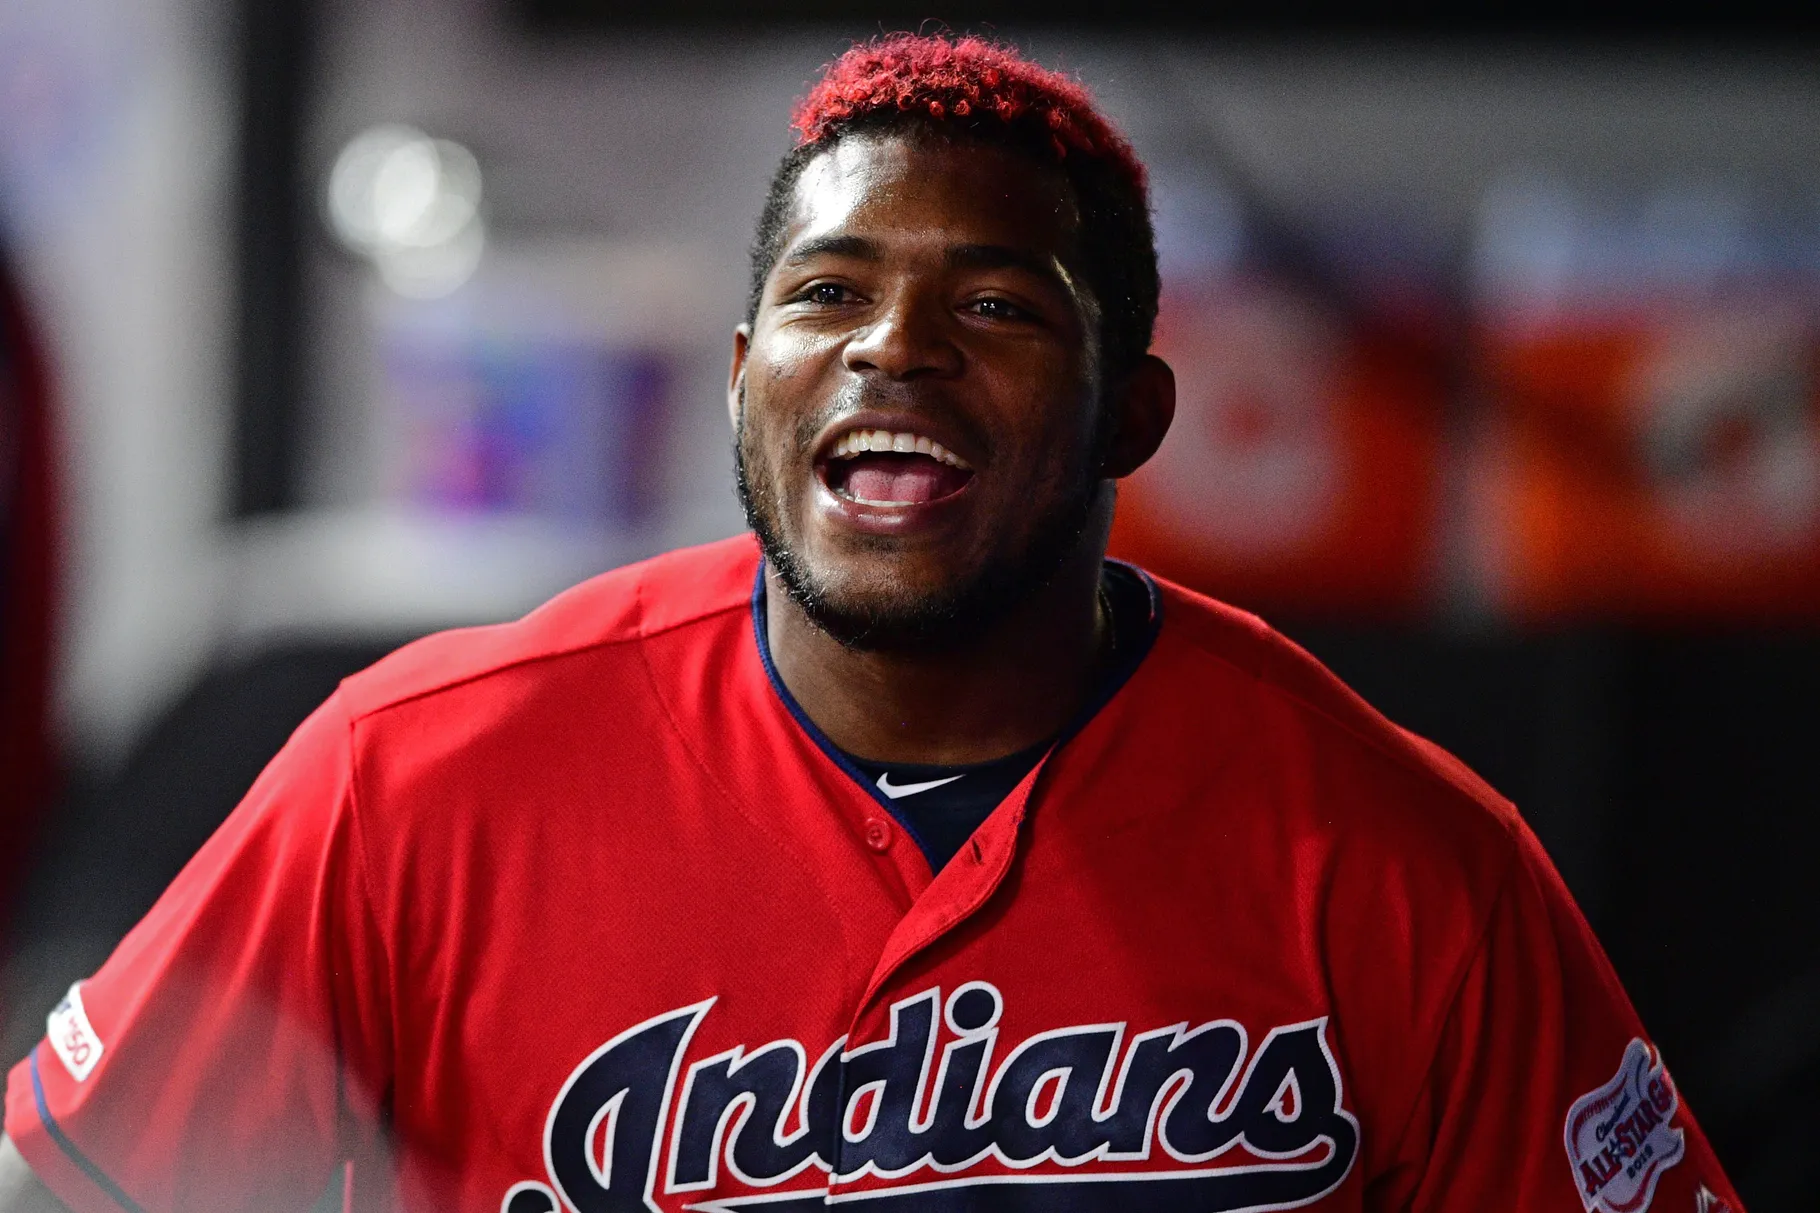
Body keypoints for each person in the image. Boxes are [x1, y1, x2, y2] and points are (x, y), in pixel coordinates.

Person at [0, 33, 1744, 1213]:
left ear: (1133, 411)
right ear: (746, 374)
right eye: (827, 294)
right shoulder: (414, 778)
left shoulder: (1400, 854)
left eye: (992, 304)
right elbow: (67, 1181)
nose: (893, 349)